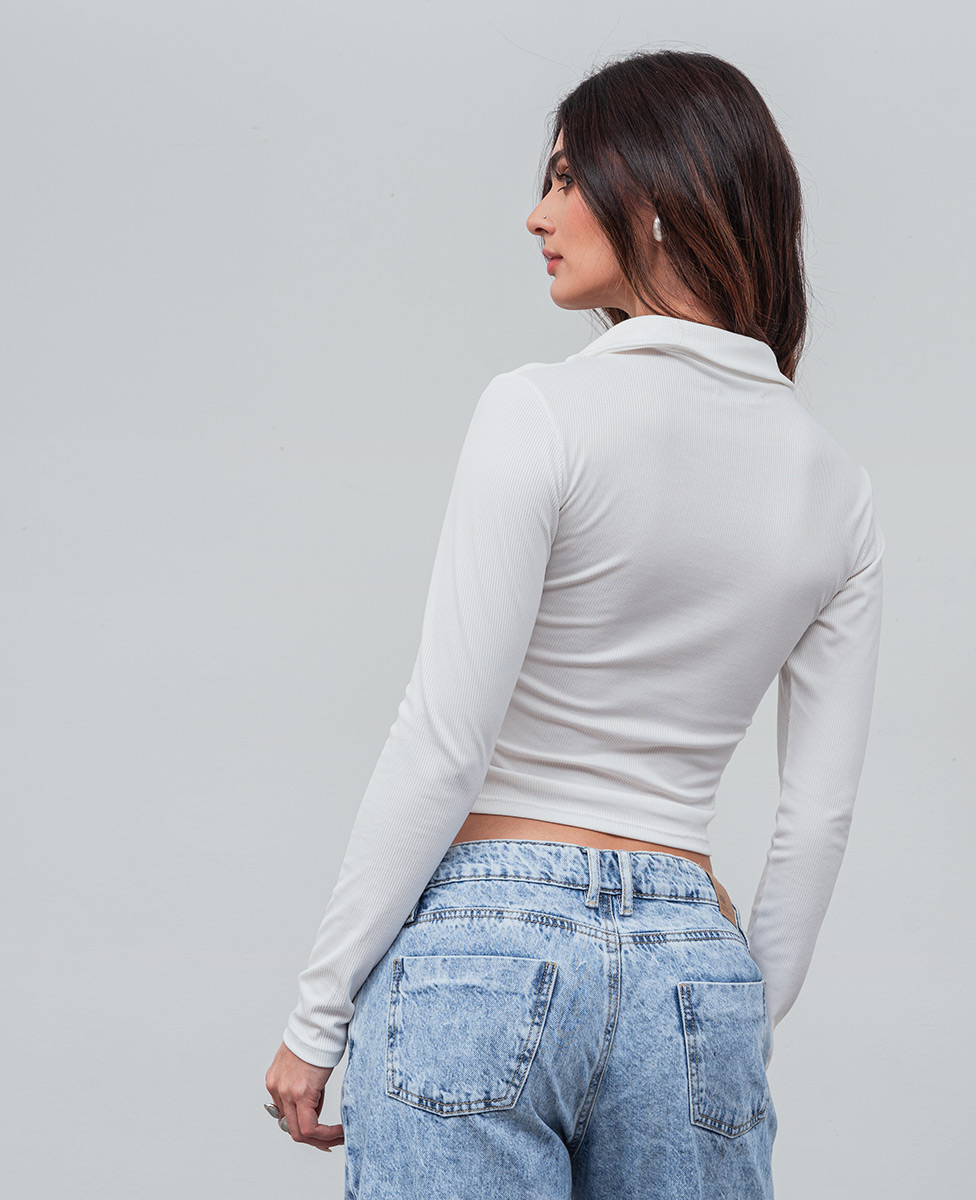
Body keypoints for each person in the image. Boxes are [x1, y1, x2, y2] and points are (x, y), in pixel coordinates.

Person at [265, 48, 885, 1199]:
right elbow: (817, 819)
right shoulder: (837, 488)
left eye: (565, 177)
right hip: (695, 965)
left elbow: (444, 739)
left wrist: (316, 1016)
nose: (537, 214)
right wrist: (733, 1017)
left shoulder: (540, 410)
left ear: (655, 197)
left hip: (484, 951)